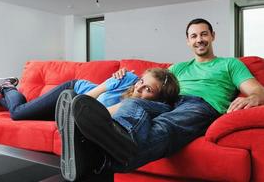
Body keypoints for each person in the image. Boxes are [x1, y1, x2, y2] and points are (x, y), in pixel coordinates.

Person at [58, 18, 264, 181]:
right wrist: (124, 79)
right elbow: (151, 83)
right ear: (188, 41)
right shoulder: (178, 67)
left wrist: (254, 96)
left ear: (212, 36)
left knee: (165, 126)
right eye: (194, 36)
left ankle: (105, 156)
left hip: (200, 104)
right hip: (168, 102)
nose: (199, 39)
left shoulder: (230, 64)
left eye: (203, 34)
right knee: (134, 103)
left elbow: (257, 90)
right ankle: (108, 140)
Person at [0, 68, 179, 121]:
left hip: (73, 111)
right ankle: (7, 87)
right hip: (74, 93)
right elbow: (89, 99)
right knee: (18, 113)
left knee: (27, 110)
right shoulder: (126, 78)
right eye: (142, 82)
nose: (139, 89)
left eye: (148, 90)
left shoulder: (146, 109)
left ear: (158, 99)